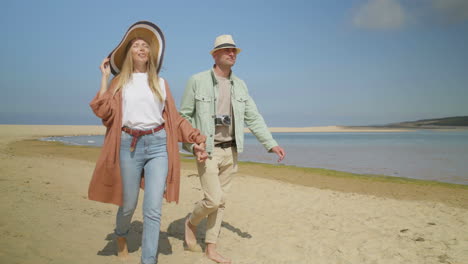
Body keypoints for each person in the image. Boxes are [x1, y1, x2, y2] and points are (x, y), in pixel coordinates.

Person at [88, 21, 208, 264]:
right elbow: (103, 111)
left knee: (153, 210)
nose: (142, 48)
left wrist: (197, 140)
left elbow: (175, 120)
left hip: (158, 145)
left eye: (145, 46)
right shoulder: (119, 81)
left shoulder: (161, 83)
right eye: (136, 45)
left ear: (151, 53)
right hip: (128, 144)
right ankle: (121, 234)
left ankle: (148, 260)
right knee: (128, 203)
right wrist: (103, 78)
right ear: (129, 53)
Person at [180, 34, 286, 263]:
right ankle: (190, 223)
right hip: (206, 150)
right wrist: (192, 145)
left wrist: (271, 144)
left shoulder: (240, 85)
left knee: (222, 202)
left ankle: (211, 248)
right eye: (227, 50)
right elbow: (183, 117)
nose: (231, 53)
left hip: (231, 151)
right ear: (215, 55)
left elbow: (253, 117)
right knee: (213, 200)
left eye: (234, 51)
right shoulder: (197, 81)